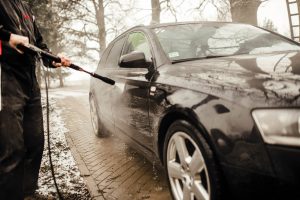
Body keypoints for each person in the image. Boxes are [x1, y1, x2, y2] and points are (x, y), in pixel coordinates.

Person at [0, 1, 71, 199]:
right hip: (5, 79)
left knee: (35, 143)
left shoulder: (25, 8)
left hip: (30, 82)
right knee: (12, 150)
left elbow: (38, 45)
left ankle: (27, 193)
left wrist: (54, 58)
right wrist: (7, 37)